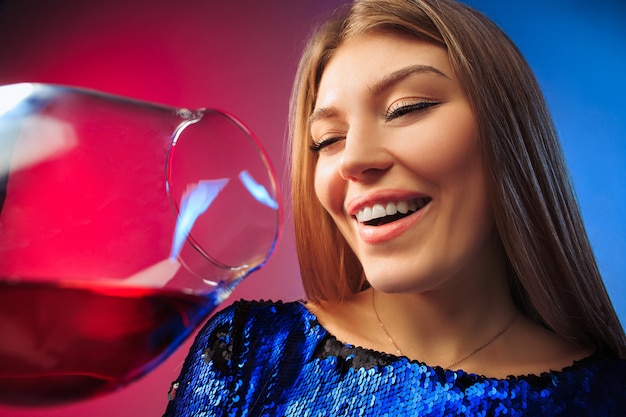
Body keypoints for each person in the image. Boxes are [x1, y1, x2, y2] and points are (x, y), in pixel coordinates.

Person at [164, 0, 626, 415]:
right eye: (328, 140)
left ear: (508, 134)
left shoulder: (610, 395)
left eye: (407, 108)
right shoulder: (251, 353)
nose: (355, 160)